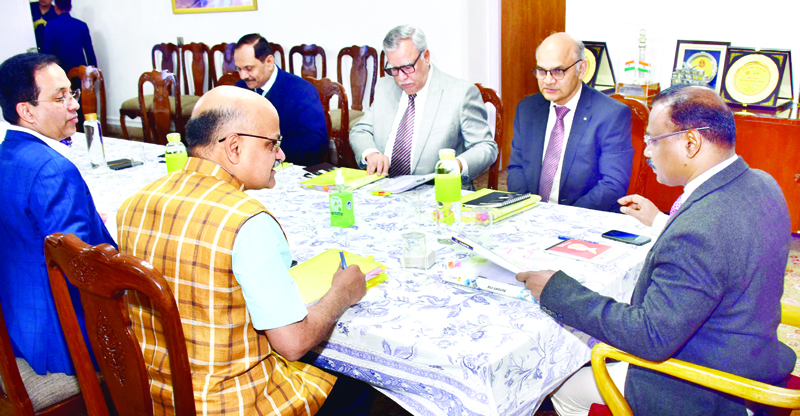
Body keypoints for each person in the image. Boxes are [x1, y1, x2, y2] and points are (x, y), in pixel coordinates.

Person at [516, 85, 794, 415]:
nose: (646, 152)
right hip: (750, 351)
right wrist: (662, 222)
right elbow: (725, 249)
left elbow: (649, 335)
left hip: (707, 389)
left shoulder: (700, 230)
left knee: (560, 388)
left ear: (691, 143)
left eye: (652, 140)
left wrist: (556, 290)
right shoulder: (763, 182)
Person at [116, 85, 375, 415]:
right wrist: (341, 293)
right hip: (231, 403)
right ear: (234, 147)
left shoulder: (135, 202)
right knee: (354, 385)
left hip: (153, 395)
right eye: (273, 144)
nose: (280, 155)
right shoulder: (246, 222)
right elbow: (293, 343)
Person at [0, 53, 114, 378]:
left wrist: (87, 218)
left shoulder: (6, 156)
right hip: (59, 341)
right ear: (27, 111)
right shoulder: (53, 170)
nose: (74, 104)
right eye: (59, 97)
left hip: (17, 325)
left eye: (71, 93)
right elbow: (80, 267)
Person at [349, 24, 497, 186]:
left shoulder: (461, 93)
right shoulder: (385, 87)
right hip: (385, 190)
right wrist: (371, 153)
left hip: (438, 193)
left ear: (426, 56)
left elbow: (485, 147)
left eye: (407, 67)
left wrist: (458, 164)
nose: (401, 78)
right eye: (394, 69)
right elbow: (360, 130)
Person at [507, 33, 633, 212]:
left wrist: (564, 217)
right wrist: (527, 210)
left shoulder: (610, 114)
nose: (548, 80)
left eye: (558, 71)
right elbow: (516, 168)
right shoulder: (527, 109)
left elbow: (613, 184)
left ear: (581, 70)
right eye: (542, 71)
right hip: (531, 215)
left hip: (583, 217)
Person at [233, 33, 328, 166]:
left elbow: (317, 141)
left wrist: (271, 152)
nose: (243, 75)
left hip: (292, 166)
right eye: (239, 69)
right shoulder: (240, 88)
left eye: (249, 68)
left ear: (269, 62)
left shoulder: (301, 90)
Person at [42, 0, 98, 74]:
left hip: (61, 71)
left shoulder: (50, 26)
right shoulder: (82, 25)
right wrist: (93, 73)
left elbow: (47, 52)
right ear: (70, 7)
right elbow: (90, 52)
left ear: (56, 7)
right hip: (80, 71)